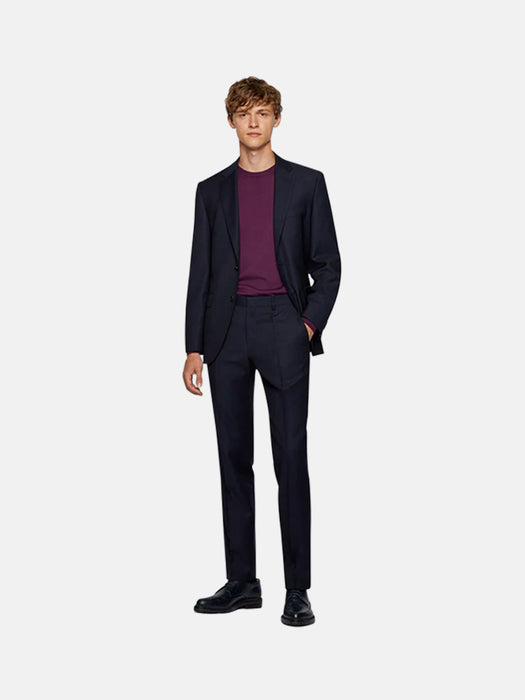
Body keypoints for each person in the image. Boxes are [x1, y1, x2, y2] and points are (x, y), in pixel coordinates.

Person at [183, 76, 341, 626]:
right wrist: (193, 346)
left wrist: (306, 326)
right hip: (225, 334)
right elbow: (200, 272)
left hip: (283, 326)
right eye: (244, 113)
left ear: (277, 119)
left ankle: (297, 589)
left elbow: (329, 265)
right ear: (231, 121)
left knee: (290, 458)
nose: (254, 122)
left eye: (263, 112)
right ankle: (243, 581)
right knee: (233, 459)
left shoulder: (306, 184)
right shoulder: (210, 191)